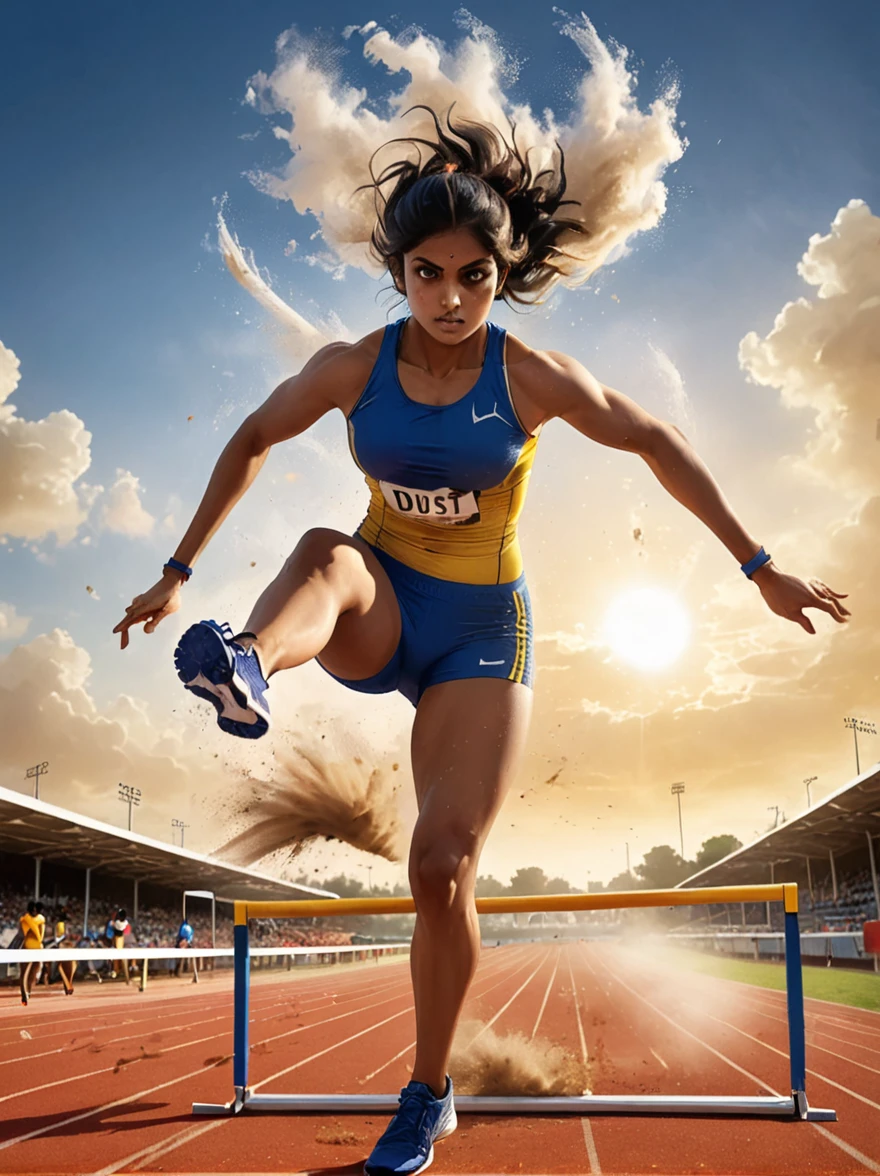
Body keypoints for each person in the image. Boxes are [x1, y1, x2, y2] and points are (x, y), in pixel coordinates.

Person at [114, 110, 851, 1175]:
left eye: (473, 277)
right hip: (379, 606)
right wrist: (175, 572)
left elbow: (649, 436)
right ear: (397, 271)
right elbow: (253, 437)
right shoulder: (349, 369)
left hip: (479, 638)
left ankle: (427, 1094)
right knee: (329, 545)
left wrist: (755, 564)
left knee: (441, 867)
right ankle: (246, 664)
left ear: (500, 274)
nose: (451, 300)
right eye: (427, 274)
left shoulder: (528, 377)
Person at [18, 900, 45, 1005]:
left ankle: (28, 991)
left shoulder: (41, 919)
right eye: (32, 909)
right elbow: (22, 934)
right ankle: (23, 993)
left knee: (34, 972)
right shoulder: (25, 919)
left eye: (36, 909)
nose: (34, 911)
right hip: (27, 948)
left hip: (37, 948)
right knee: (24, 972)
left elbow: (41, 936)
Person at [109, 908, 131, 984]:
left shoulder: (118, 923)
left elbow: (117, 926)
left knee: (117, 956)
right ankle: (117, 970)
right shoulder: (124, 923)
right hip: (118, 940)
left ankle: (117, 970)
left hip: (119, 940)